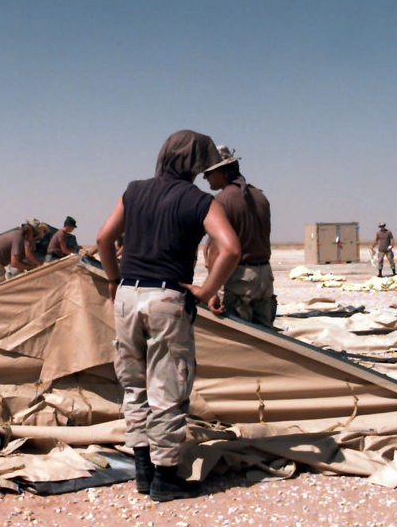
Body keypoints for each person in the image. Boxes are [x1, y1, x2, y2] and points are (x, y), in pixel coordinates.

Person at [96, 129, 240, 502]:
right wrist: (206, 291)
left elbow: (103, 238)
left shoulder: (134, 191)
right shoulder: (199, 201)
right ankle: (165, 476)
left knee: (134, 385)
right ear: (196, 164)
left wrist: (113, 280)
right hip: (166, 297)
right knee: (167, 386)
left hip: (127, 294)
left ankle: (143, 470)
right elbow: (230, 249)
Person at [201, 146, 276, 327]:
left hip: (239, 278)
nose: (205, 178)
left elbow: (216, 250)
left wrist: (211, 292)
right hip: (265, 276)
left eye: (208, 172)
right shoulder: (260, 197)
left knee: (239, 334)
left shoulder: (221, 201)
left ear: (222, 171)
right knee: (265, 335)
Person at [0, 221, 44, 286]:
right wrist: (32, 267)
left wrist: (38, 265)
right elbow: (15, 263)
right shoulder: (18, 238)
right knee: (1, 289)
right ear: (30, 231)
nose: (34, 238)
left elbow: (28, 254)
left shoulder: (18, 235)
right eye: (34, 235)